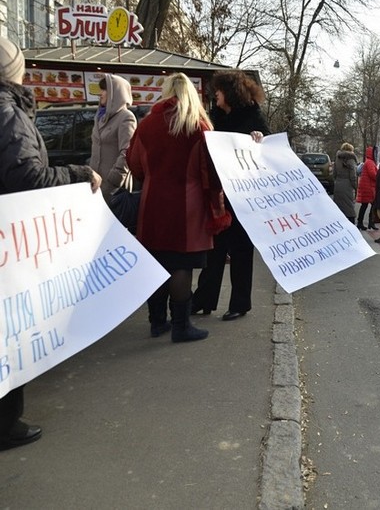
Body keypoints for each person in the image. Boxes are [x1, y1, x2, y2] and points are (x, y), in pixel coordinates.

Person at [0, 37, 102, 449]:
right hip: (12, 244)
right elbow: (28, 178)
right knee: (9, 329)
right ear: (14, 70)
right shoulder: (7, 112)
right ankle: (5, 423)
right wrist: (80, 174)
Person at [127, 72, 231, 342]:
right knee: (181, 265)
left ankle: (157, 322)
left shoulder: (147, 124)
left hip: (152, 203)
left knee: (157, 263)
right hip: (188, 206)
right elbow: (211, 171)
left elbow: (134, 163)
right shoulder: (198, 127)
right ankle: (181, 326)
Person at [191, 71, 269, 321]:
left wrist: (259, 139)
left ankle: (240, 303)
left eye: (220, 90)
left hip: (244, 196)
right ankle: (204, 298)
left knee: (241, 250)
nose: (215, 94)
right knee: (214, 250)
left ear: (231, 93)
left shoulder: (252, 114)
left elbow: (265, 147)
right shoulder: (213, 117)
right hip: (218, 194)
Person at [90, 74, 137, 203]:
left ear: (116, 93)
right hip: (96, 186)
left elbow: (127, 152)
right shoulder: (100, 117)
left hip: (114, 189)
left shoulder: (126, 117)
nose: (100, 93)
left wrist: (114, 179)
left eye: (105, 90)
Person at [332, 142, 358, 223]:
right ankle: (352, 228)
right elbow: (353, 176)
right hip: (348, 186)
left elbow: (334, 173)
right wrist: (356, 187)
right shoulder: (351, 159)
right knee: (349, 209)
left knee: (339, 208)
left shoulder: (337, 158)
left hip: (338, 185)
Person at [355, 145, 378, 230]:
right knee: (373, 205)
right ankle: (370, 222)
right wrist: (379, 176)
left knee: (364, 205)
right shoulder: (370, 162)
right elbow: (373, 174)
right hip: (369, 187)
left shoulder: (368, 161)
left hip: (366, 186)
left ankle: (360, 222)